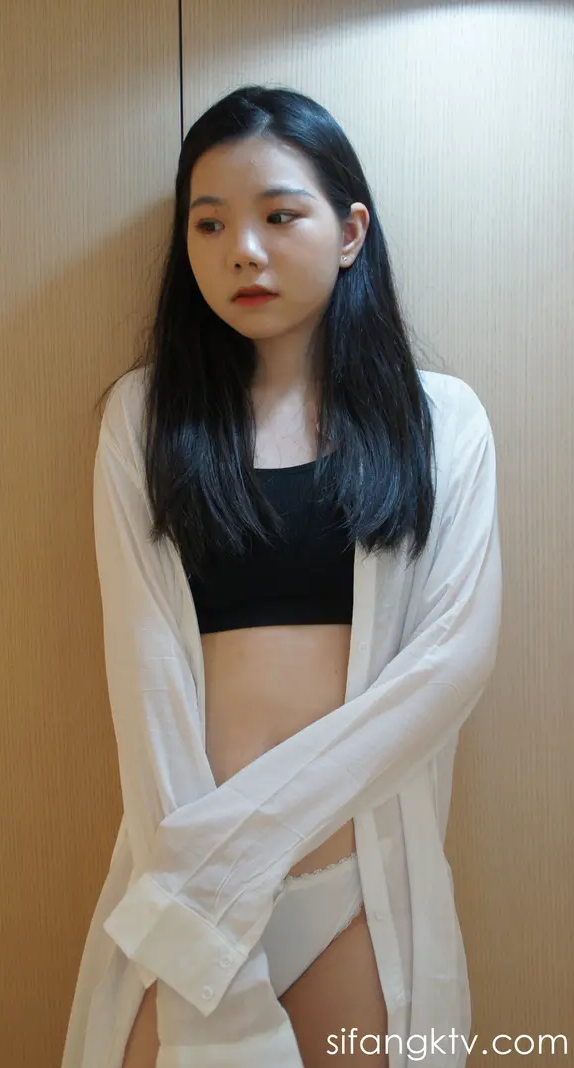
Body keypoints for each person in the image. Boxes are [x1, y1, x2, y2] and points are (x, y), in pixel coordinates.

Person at [60, 85, 502, 1068]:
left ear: (349, 232)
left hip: (356, 884)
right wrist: (203, 886)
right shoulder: (143, 420)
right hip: (185, 884)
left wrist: (239, 859)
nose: (243, 252)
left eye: (279, 215)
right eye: (210, 224)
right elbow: (143, 674)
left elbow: (451, 664)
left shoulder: (443, 423)